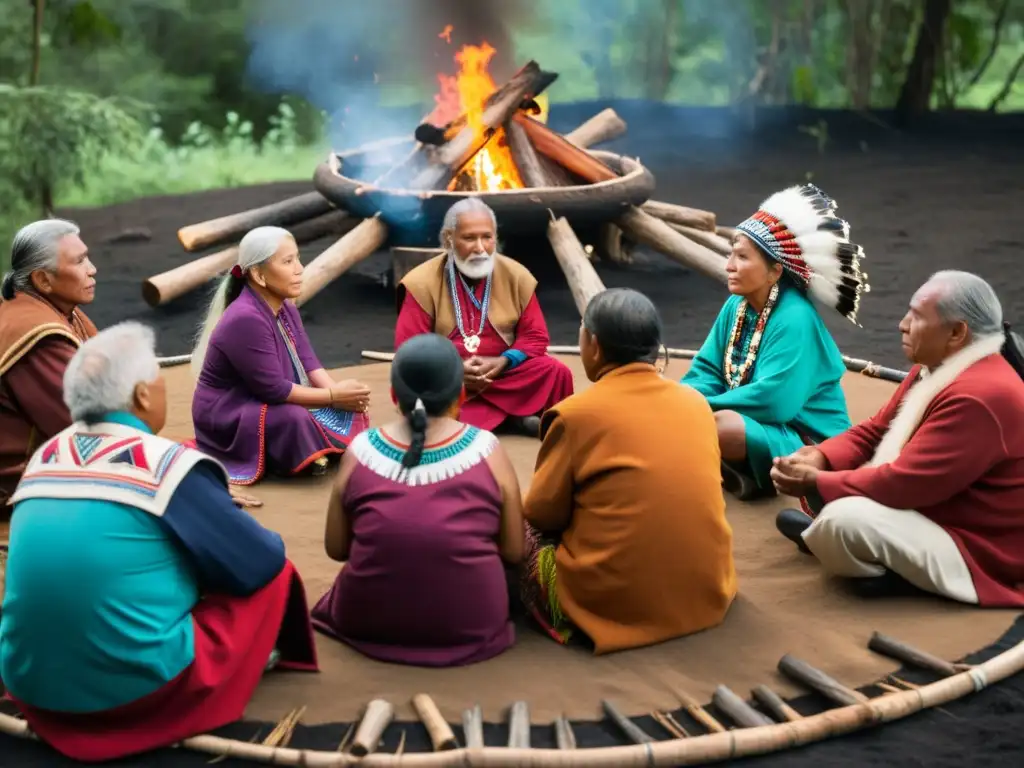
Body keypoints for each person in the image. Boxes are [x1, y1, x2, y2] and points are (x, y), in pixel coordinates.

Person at [0, 322, 318, 763]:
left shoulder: (44, 457)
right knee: (275, 573)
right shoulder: (168, 464)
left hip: (28, 681)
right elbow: (261, 561)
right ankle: (247, 664)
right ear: (142, 395)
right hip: (130, 694)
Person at [772, 271, 1024, 604]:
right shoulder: (939, 365)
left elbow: (905, 484)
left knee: (843, 522)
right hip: (938, 506)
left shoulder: (980, 396)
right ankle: (854, 548)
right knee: (838, 479)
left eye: (916, 317)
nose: (901, 325)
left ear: (956, 332)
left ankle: (887, 570)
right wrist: (822, 457)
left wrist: (817, 481)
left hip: (980, 544)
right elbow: (876, 430)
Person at [523, 288, 736, 652]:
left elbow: (543, 513)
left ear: (594, 345)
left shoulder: (576, 415)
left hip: (612, 603)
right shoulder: (696, 404)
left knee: (519, 531)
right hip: (706, 591)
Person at [311, 333, 524, 666]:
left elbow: (337, 549)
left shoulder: (360, 450)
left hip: (367, 622)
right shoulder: (487, 449)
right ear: (462, 394)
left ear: (394, 395)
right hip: (472, 625)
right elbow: (514, 550)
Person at [681, 183, 868, 500]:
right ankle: (732, 467)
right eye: (731, 254)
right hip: (756, 421)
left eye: (742, 257)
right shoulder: (737, 305)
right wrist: (680, 398)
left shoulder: (795, 317)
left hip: (808, 440)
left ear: (775, 271)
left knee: (721, 427)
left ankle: (743, 471)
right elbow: (707, 369)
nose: (729, 265)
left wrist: (694, 407)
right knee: (682, 412)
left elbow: (775, 400)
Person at [191, 226, 371, 485]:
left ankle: (314, 449)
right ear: (258, 275)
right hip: (230, 414)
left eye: (298, 258)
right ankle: (298, 455)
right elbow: (274, 390)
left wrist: (340, 395)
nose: (300, 268)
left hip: (269, 400)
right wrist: (333, 398)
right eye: (288, 261)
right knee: (293, 418)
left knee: (352, 409)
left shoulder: (285, 306)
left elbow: (309, 362)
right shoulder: (245, 318)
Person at [394, 198, 574, 437]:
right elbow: (409, 351)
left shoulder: (515, 275)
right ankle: (514, 418)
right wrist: (454, 371)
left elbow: (535, 335)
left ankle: (502, 419)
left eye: (487, 237)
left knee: (555, 371)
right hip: (448, 379)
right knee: (416, 385)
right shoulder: (421, 283)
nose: (480, 248)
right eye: (469, 238)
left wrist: (503, 362)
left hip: (502, 373)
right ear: (449, 239)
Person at [0, 219, 98, 508]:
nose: (93, 269)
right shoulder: (38, 335)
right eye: (80, 261)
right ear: (43, 280)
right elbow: (87, 425)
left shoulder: (63, 311)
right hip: (20, 482)